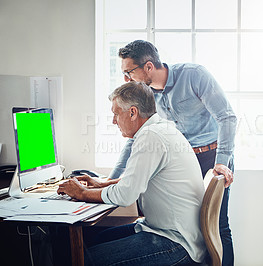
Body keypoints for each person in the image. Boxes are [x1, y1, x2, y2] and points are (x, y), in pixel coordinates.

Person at [57, 81, 206, 265]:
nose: (113, 121)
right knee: (91, 241)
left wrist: (81, 193)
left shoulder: (150, 136)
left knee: (84, 259)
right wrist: (103, 184)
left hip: (176, 243)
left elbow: (125, 195)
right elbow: (138, 181)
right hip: (168, 232)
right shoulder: (160, 129)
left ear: (133, 112)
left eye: (116, 114)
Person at [116, 40, 237, 265]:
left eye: (129, 72)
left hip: (213, 158)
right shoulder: (148, 96)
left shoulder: (194, 75)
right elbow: (136, 136)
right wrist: (114, 178)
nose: (127, 79)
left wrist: (222, 162)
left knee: (218, 227)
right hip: (186, 162)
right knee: (192, 228)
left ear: (149, 67)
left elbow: (227, 117)